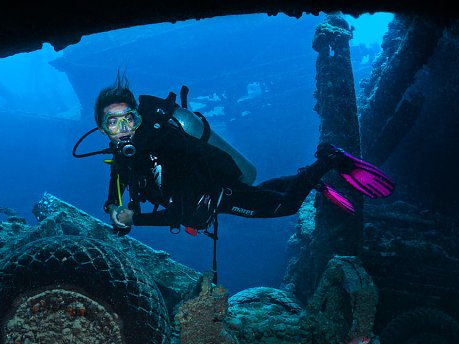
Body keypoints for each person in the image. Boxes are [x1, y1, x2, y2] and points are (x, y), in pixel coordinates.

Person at [93, 73, 394, 236]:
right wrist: (113, 210)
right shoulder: (126, 157)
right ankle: (309, 178)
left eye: (128, 119)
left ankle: (328, 160)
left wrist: (135, 220)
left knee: (284, 206)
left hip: (221, 194)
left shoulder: (166, 148)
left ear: (139, 117)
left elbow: (179, 213)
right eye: (113, 122)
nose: (123, 129)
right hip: (225, 190)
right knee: (258, 191)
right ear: (102, 129)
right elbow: (114, 190)